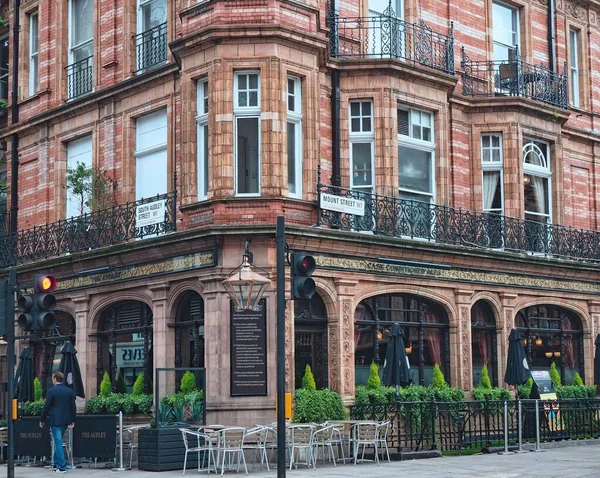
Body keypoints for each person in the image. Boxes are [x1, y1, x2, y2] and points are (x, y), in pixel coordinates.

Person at [39, 371, 76, 474]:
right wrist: (73, 420)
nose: (52, 380)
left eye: (52, 378)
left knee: (58, 443)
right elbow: (73, 407)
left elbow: (46, 406)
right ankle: (55, 464)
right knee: (58, 442)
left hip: (55, 420)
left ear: (55, 378)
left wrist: (42, 420)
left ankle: (62, 467)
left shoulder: (52, 391)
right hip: (65, 421)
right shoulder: (69, 391)